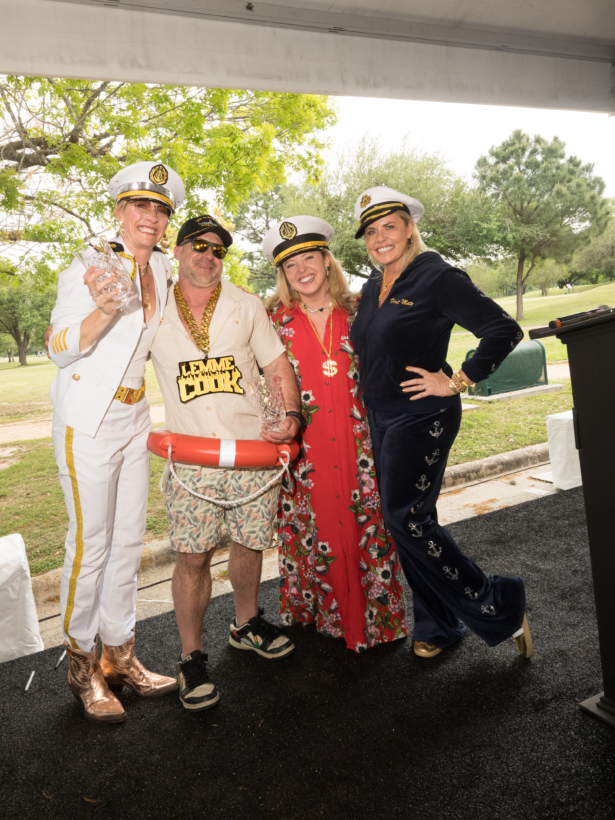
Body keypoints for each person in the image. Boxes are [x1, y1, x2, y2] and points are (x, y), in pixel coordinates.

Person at [349, 186, 534, 660]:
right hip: (383, 416)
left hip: (422, 415)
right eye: (371, 231)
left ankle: (496, 598)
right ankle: (438, 623)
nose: (379, 237)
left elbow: (503, 329)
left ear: (410, 227)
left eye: (389, 225)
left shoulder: (437, 277)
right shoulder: (375, 284)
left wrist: (457, 380)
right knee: (407, 523)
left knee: (404, 519)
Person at [48, 161, 184, 723]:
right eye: (139, 206)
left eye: (159, 209)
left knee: (129, 542)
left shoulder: (166, 273)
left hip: (134, 421)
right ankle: (82, 668)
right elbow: (58, 346)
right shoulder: (88, 265)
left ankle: (119, 655)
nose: (149, 217)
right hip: (87, 421)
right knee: (91, 544)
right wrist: (103, 312)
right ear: (119, 212)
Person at [149, 214, 301, 711]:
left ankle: (246, 623)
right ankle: (191, 656)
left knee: (250, 542)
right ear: (177, 249)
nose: (208, 255)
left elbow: (277, 366)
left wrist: (292, 417)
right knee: (193, 558)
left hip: (251, 450)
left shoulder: (246, 304)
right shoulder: (150, 306)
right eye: (197, 245)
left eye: (218, 249)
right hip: (192, 458)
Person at [261, 216, 407, 652]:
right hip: (305, 448)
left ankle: (374, 621)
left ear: (327, 260)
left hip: (361, 442)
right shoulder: (272, 318)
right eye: (291, 265)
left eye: (310, 257)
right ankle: (319, 613)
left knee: (366, 525)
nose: (302, 270)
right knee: (315, 526)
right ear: (282, 275)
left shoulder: (364, 308)